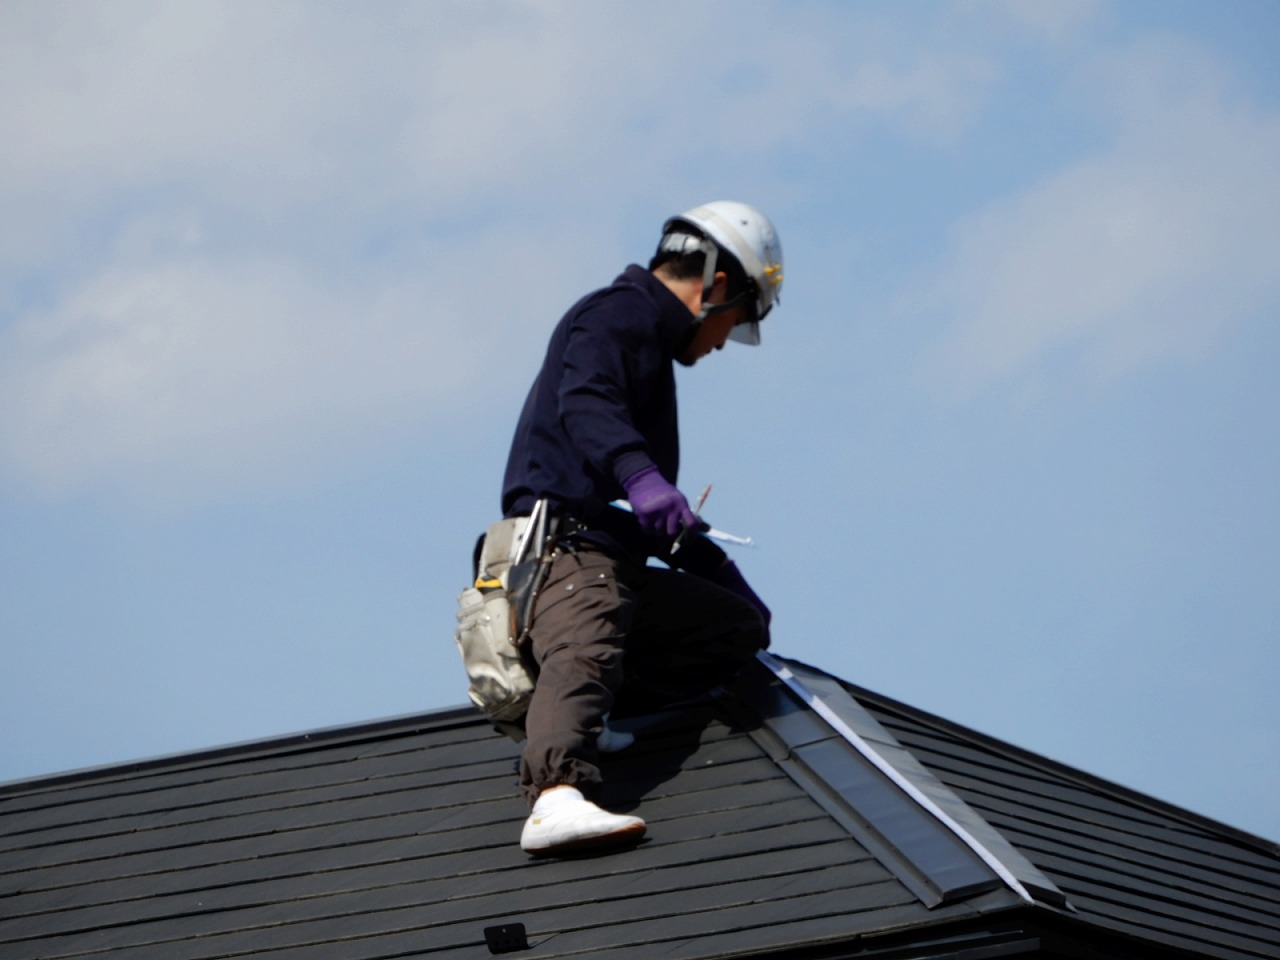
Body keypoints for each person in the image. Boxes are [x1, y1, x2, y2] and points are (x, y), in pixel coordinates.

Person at [499, 201, 783, 855]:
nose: (720, 344)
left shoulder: (647, 343)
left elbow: (647, 516)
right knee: (586, 641)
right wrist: (642, 474)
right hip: (570, 552)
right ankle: (554, 796)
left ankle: (603, 719)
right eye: (735, 322)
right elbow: (588, 401)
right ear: (715, 285)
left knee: (728, 626)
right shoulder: (618, 313)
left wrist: (719, 573)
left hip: (613, 554)